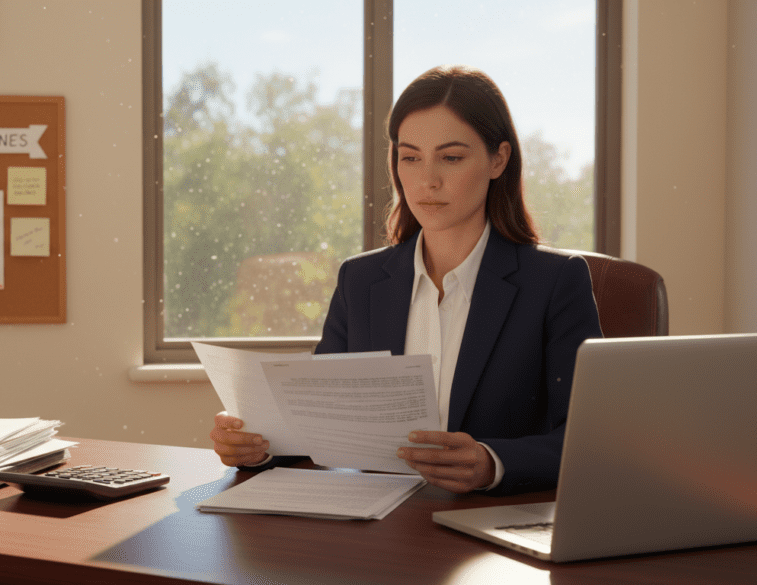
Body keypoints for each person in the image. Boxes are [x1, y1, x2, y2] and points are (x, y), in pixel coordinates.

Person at [209, 65, 602, 495]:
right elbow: (316, 423)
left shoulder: (555, 282)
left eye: (451, 158)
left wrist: (493, 463)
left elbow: (591, 440)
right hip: (376, 526)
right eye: (410, 157)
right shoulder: (359, 281)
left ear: (498, 159)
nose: (427, 180)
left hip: (490, 529)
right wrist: (257, 445)